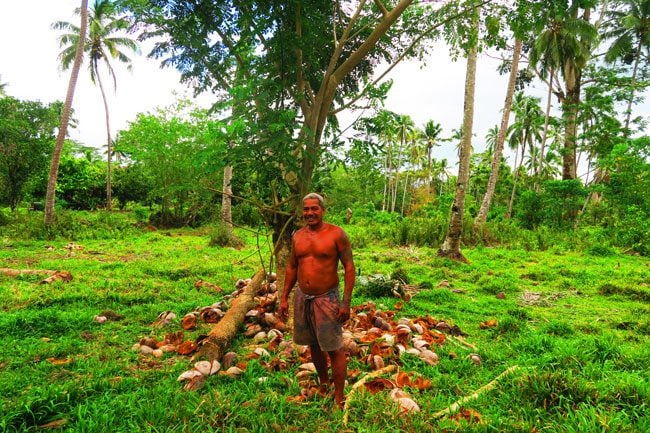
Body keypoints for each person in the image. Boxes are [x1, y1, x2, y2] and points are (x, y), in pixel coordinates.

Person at [278, 193, 355, 408]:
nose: (310, 213)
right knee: (313, 343)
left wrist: (345, 303)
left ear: (322, 210)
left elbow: (349, 267)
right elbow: (293, 266)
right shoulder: (298, 236)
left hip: (327, 298)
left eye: (314, 209)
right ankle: (323, 382)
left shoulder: (336, 234)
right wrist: (284, 297)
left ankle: (339, 395)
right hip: (303, 297)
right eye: (306, 209)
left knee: (334, 347)